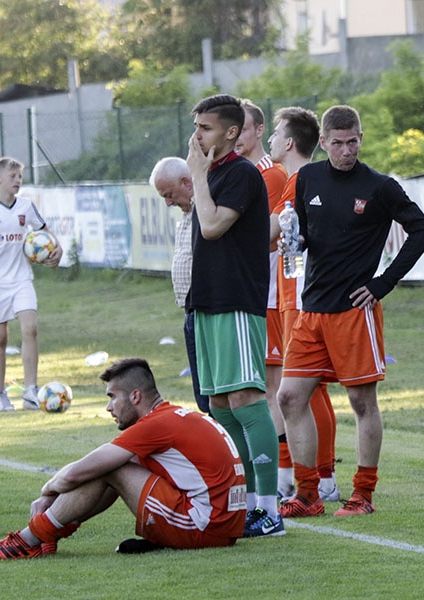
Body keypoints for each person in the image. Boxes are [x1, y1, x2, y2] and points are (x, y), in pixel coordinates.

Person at [276, 105, 424, 518]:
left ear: (360, 139)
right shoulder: (307, 178)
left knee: (362, 403)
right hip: (311, 311)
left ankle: (363, 494)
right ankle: (307, 494)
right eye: (338, 143)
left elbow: (422, 230)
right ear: (324, 142)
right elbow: (305, 232)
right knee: (290, 398)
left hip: (353, 311)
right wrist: (295, 241)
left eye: (353, 142)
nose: (347, 150)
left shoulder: (379, 186)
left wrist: (382, 283)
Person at [0, 358, 246, 559]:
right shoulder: (174, 416)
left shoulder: (155, 425)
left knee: (112, 467)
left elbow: (75, 474)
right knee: (120, 464)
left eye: (112, 397)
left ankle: (27, 541)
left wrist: (47, 491)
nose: (108, 408)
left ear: (135, 396)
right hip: (224, 526)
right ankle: (49, 534)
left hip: (205, 527)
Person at [185, 94, 281, 538]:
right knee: (220, 404)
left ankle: (270, 509)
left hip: (238, 302)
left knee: (245, 397)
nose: (196, 135)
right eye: (196, 125)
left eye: (205, 127)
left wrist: (198, 176)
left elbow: (212, 226)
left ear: (229, 132)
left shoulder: (240, 174)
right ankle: (244, 504)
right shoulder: (215, 172)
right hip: (207, 300)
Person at [267, 106, 340, 503]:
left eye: (275, 134)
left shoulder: (300, 181)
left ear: (291, 142)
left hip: (301, 295)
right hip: (292, 293)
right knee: (302, 391)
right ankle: (313, 478)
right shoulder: (298, 181)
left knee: (305, 391)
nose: (270, 142)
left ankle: (321, 479)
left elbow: (273, 232)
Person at [236, 99, 293, 497]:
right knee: (268, 388)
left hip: (270, 294)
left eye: (241, 129)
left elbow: (268, 235)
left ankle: (287, 477)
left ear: (257, 131)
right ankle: (291, 475)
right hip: (262, 293)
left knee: (272, 390)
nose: (233, 137)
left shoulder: (268, 175)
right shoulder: (248, 172)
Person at [0, 157, 63, 412]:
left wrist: (58, 250)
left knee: (30, 328)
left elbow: (46, 233)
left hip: (22, 279)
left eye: (20, 177)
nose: (17, 181)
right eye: (12, 176)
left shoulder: (26, 207)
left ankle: (31, 390)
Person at [148, 157, 209, 414]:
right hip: (190, 311)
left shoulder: (203, 208)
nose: (168, 202)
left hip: (207, 310)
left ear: (187, 182)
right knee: (202, 391)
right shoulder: (185, 213)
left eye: (170, 194)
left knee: (212, 390)